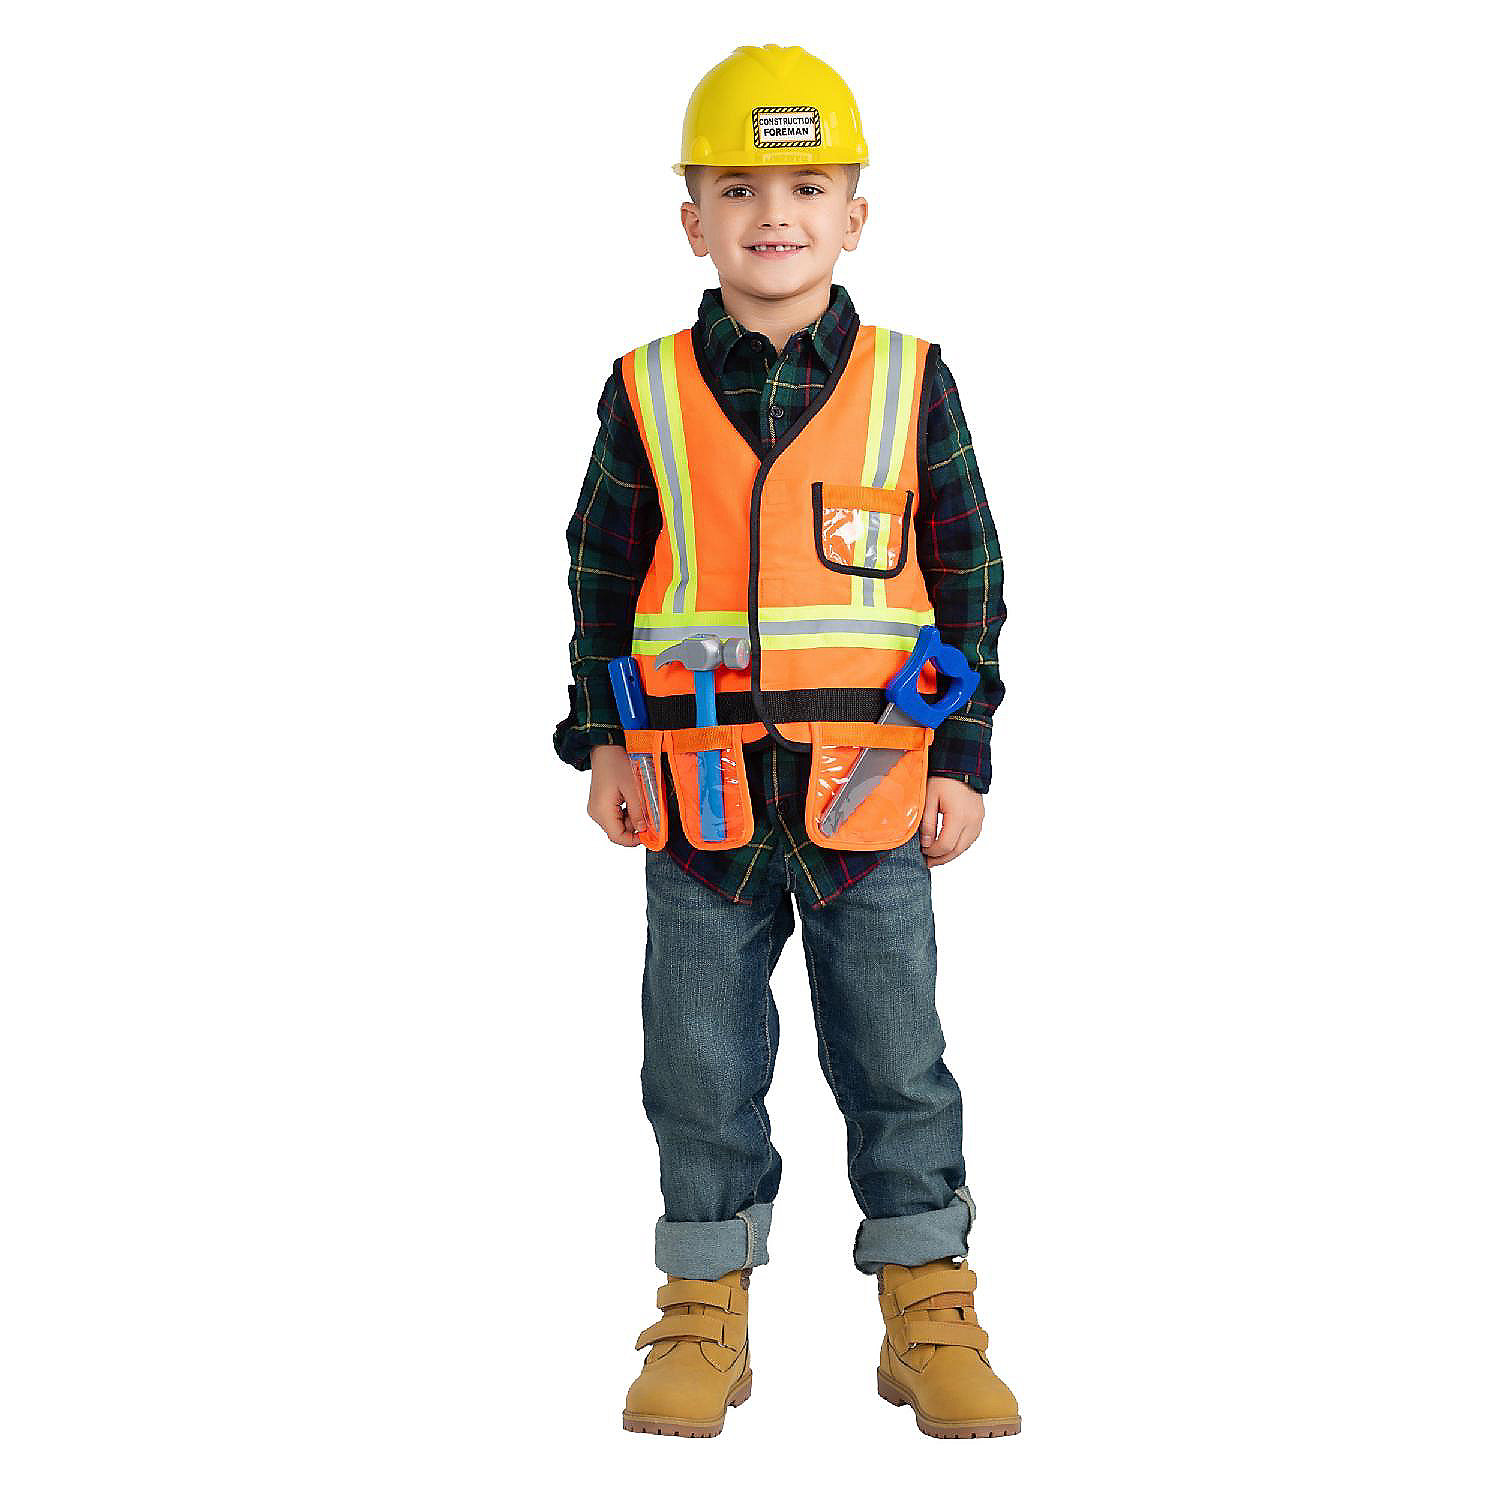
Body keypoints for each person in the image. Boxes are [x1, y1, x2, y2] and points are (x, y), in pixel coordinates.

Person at [553, 44, 1018, 1440]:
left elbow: (971, 573)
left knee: (897, 1059)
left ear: (855, 216)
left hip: (872, 797)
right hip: (696, 806)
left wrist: (963, 755)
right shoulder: (644, 390)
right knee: (695, 1064)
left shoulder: (911, 383)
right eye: (740, 187)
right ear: (690, 218)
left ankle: (929, 1309)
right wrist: (602, 742)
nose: (776, 213)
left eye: (809, 187)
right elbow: (601, 571)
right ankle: (704, 1310)